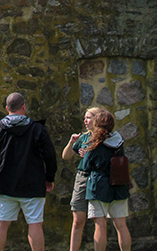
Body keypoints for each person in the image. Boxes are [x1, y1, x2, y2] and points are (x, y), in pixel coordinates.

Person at [0, 92, 57, 251]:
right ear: (24, 106)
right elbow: (50, 155)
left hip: (4, 184)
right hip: (32, 184)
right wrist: (49, 177)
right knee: (35, 224)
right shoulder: (37, 129)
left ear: (6, 108)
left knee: (1, 223)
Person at [83, 111, 131, 251]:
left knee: (100, 225)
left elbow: (86, 166)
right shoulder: (118, 141)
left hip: (99, 187)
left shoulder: (94, 141)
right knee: (121, 225)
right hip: (119, 184)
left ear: (97, 124)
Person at [61, 107, 103, 251]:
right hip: (82, 178)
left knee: (98, 220)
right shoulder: (83, 137)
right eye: (85, 118)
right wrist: (71, 142)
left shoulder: (104, 138)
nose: (85, 121)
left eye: (89, 117)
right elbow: (66, 156)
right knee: (78, 220)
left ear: (97, 119)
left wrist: (89, 154)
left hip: (97, 179)